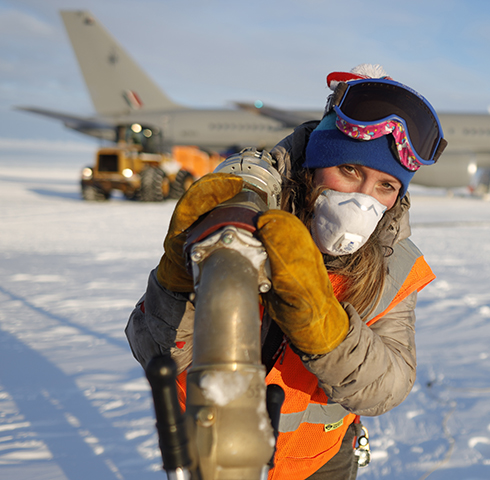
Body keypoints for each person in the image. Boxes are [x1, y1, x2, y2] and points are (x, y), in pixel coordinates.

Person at [125, 64, 446, 479]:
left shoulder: (392, 264)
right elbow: (155, 349)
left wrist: (326, 330)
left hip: (320, 464)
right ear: (315, 162)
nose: (363, 201)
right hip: (215, 452)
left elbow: (388, 386)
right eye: (349, 170)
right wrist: (177, 281)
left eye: (385, 185)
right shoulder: (250, 218)